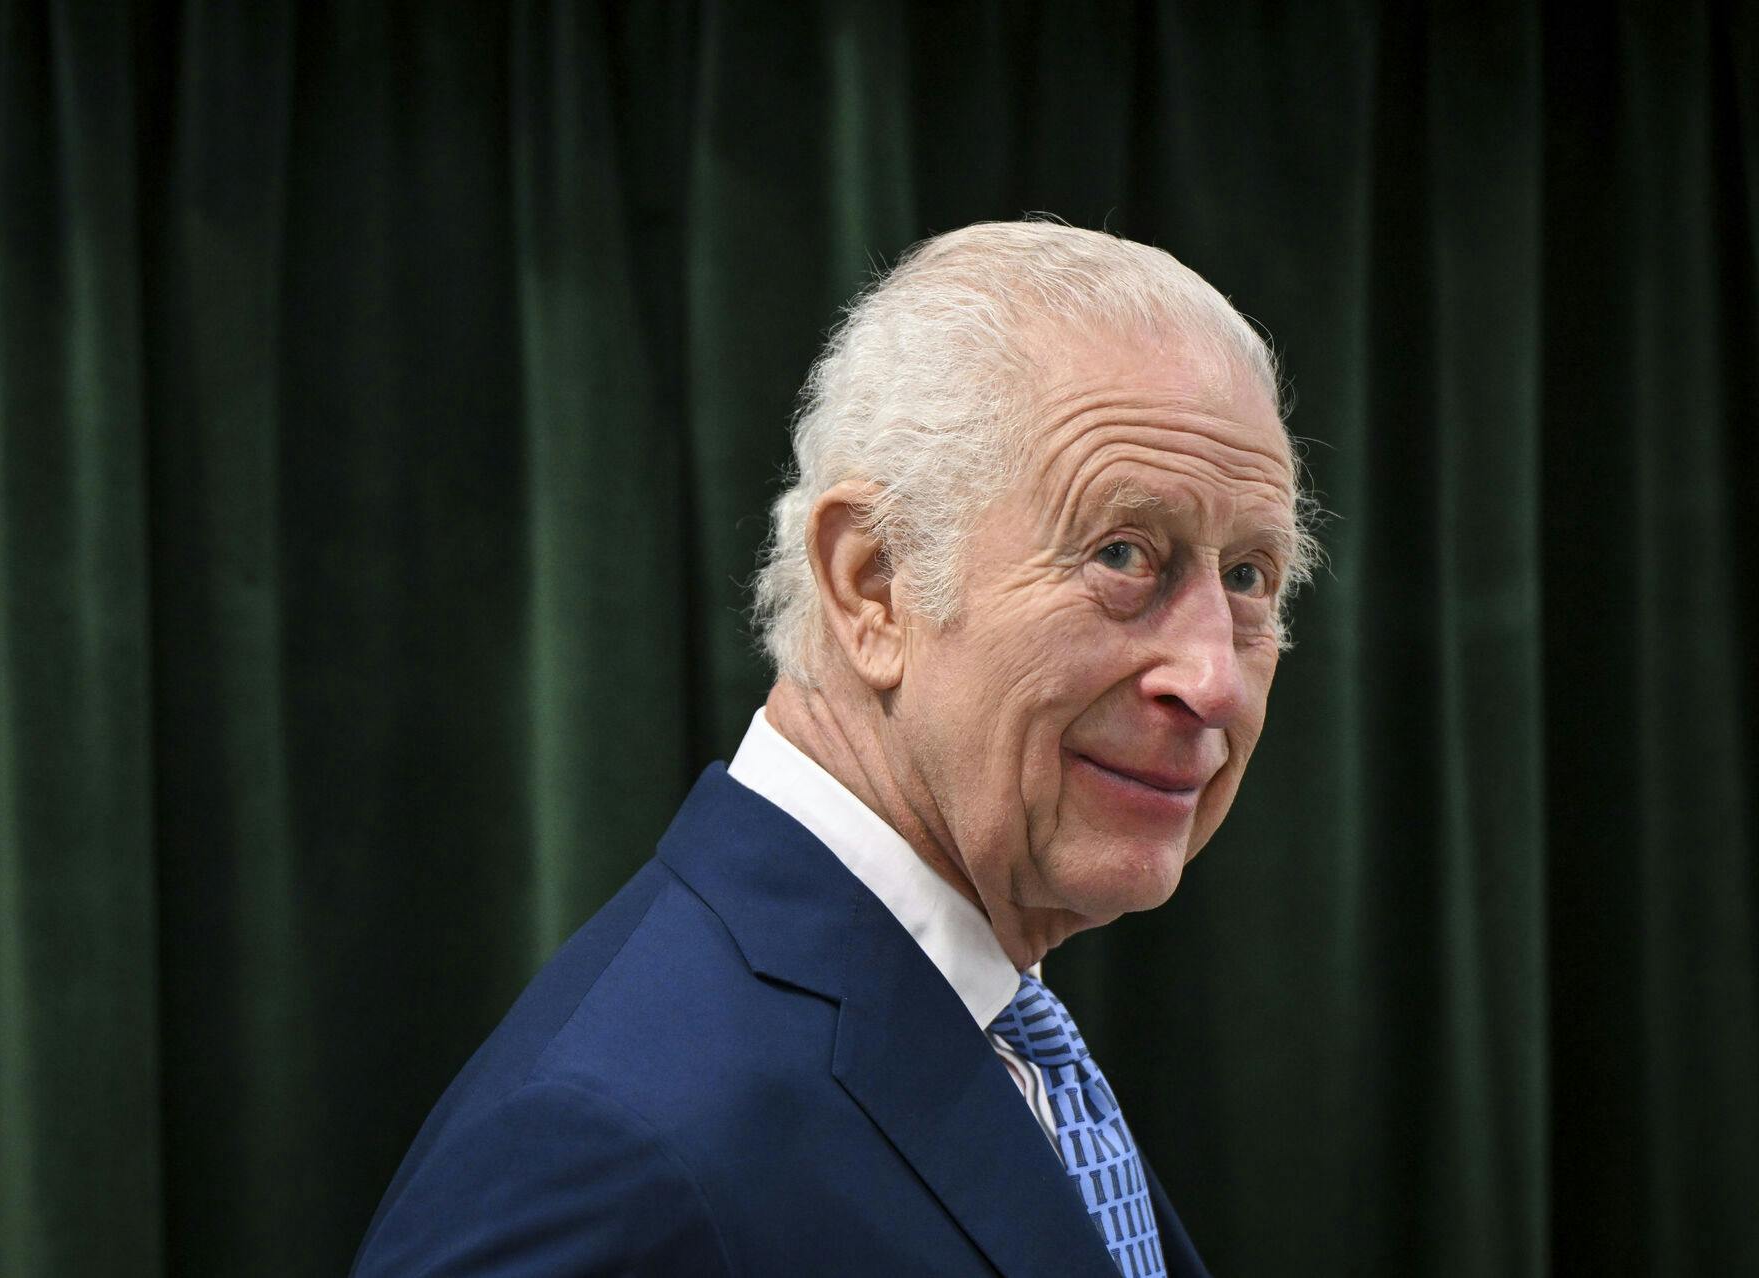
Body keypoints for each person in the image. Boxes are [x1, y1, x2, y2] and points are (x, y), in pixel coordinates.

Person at [351, 220, 1318, 1277]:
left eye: (1249, 579)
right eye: (1123, 554)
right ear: (872, 583)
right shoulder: (612, 1148)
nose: (1216, 680)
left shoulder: (992, 1025)